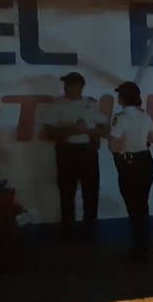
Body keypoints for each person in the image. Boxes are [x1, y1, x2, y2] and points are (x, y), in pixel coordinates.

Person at [41, 71, 107, 241]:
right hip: (66, 152)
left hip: (87, 152)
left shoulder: (91, 104)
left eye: (71, 84)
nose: (67, 87)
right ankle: (68, 233)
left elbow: (104, 127)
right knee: (66, 194)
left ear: (80, 87)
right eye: (66, 84)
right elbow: (48, 132)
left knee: (91, 193)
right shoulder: (57, 105)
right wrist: (73, 130)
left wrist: (93, 134)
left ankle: (90, 231)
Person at [107, 81, 153, 258]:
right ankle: (144, 244)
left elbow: (114, 146)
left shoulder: (120, 118)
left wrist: (113, 143)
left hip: (129, 164)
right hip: (146, 161)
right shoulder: (145, 115)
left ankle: (140, 246)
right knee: (142, 204)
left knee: (133, 206)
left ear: (122, 98)